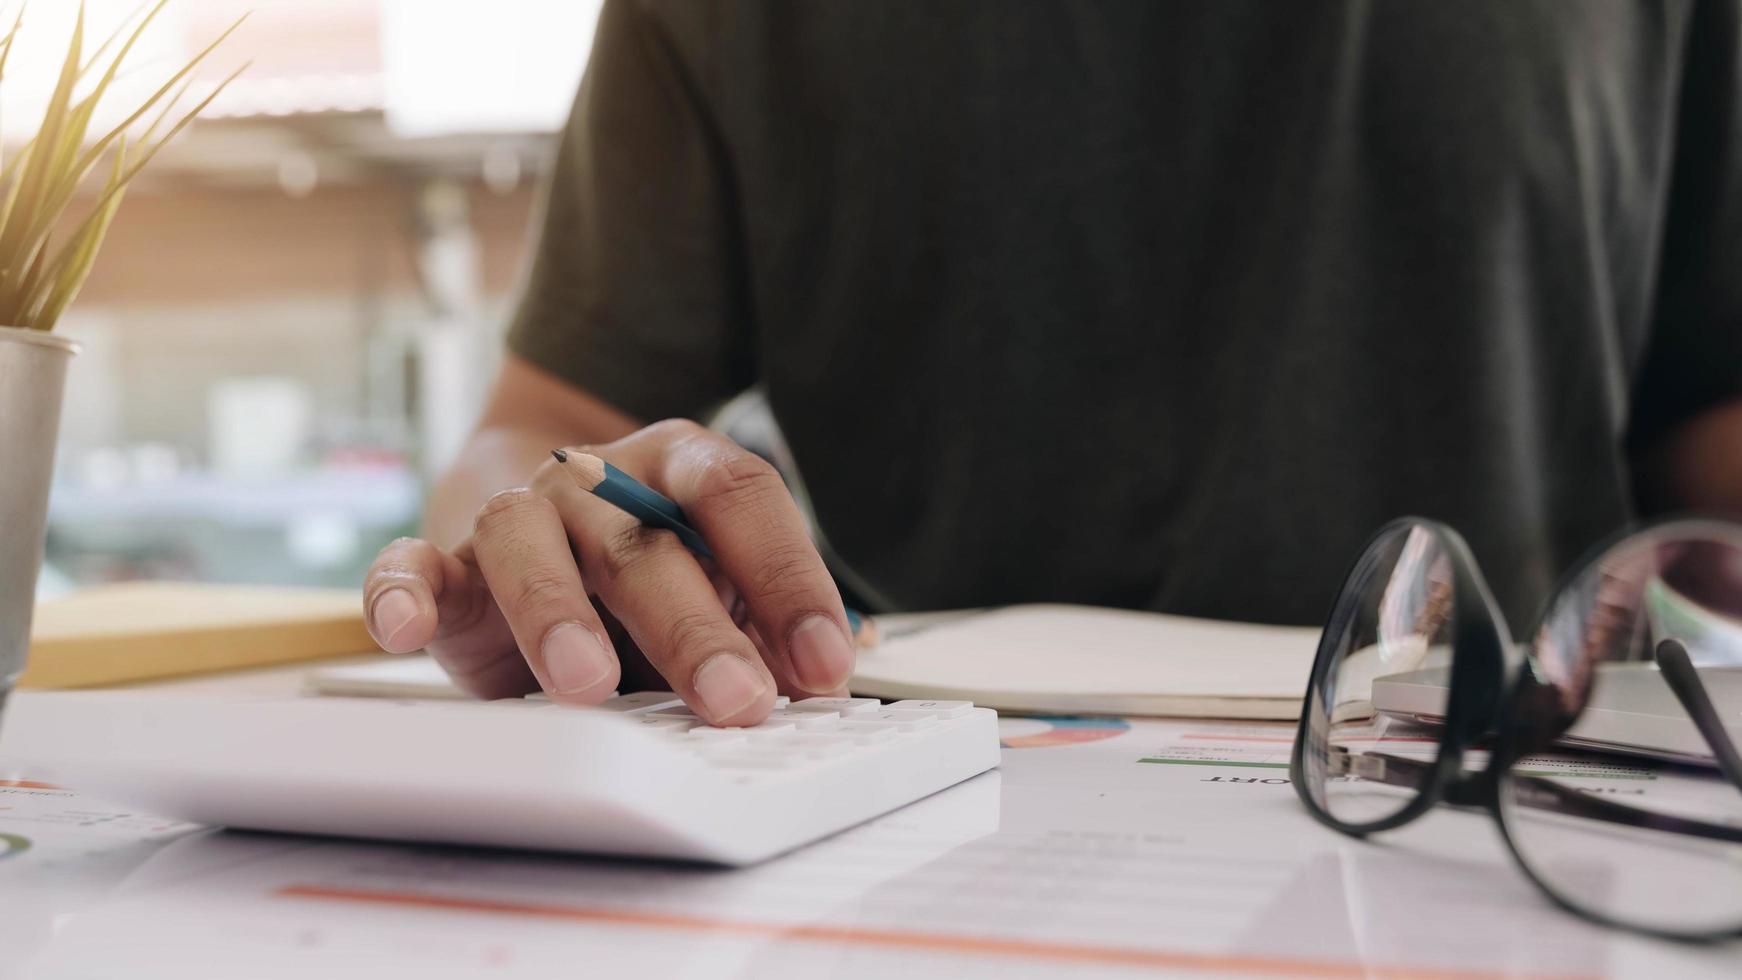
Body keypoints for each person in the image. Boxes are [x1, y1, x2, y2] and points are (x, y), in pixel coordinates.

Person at [362, 1, 1742, 728]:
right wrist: (542, 536)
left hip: (1518, 792)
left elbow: (1700, 434)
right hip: (928, 800)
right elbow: (540, 428)